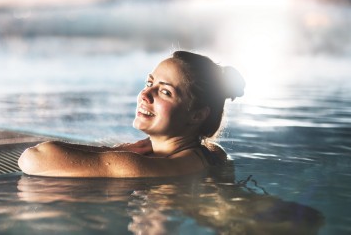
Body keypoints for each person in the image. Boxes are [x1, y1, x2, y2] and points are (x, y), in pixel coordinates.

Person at [19, 50, 245, 178]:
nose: (146, 93)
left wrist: (116, 151)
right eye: (150, 82)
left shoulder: (141, 167)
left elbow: (33, 158)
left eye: (165, 91)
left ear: (197, 115)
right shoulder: (212, 154)